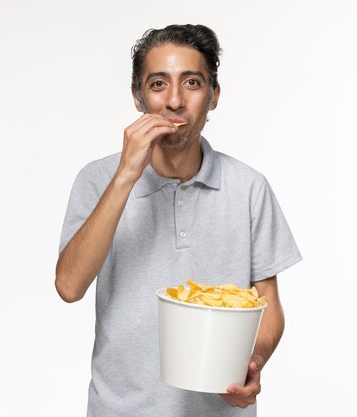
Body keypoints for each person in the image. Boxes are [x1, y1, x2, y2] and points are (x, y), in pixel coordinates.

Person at [55, 24, 302, 417]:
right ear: (138, 98)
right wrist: (125, 176)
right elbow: (68, 286)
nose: (174, 101)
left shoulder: (249, 187)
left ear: (213, 97)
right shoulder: (98, 179)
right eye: (157, 84)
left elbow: (267, 303)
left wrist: (253, 363)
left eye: (191, 82)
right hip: (120, 409)